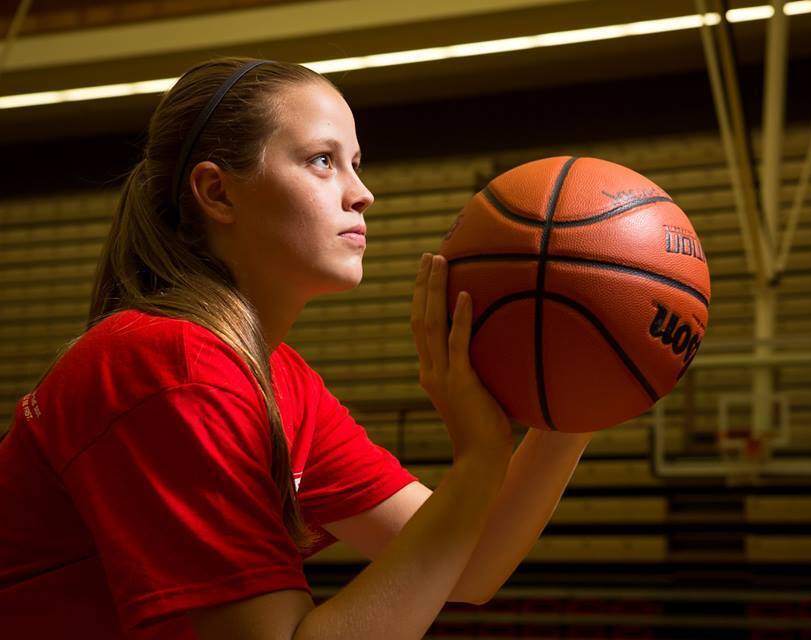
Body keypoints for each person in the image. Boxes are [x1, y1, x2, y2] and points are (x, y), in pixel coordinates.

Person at [0, 57, 594, 639]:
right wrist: (481, 454)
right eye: (322, 161)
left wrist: (579, 399)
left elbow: (468, 565)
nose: (362, 194)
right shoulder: (173, 366)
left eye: (356, 164)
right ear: (218, 192)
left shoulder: (276, 378)